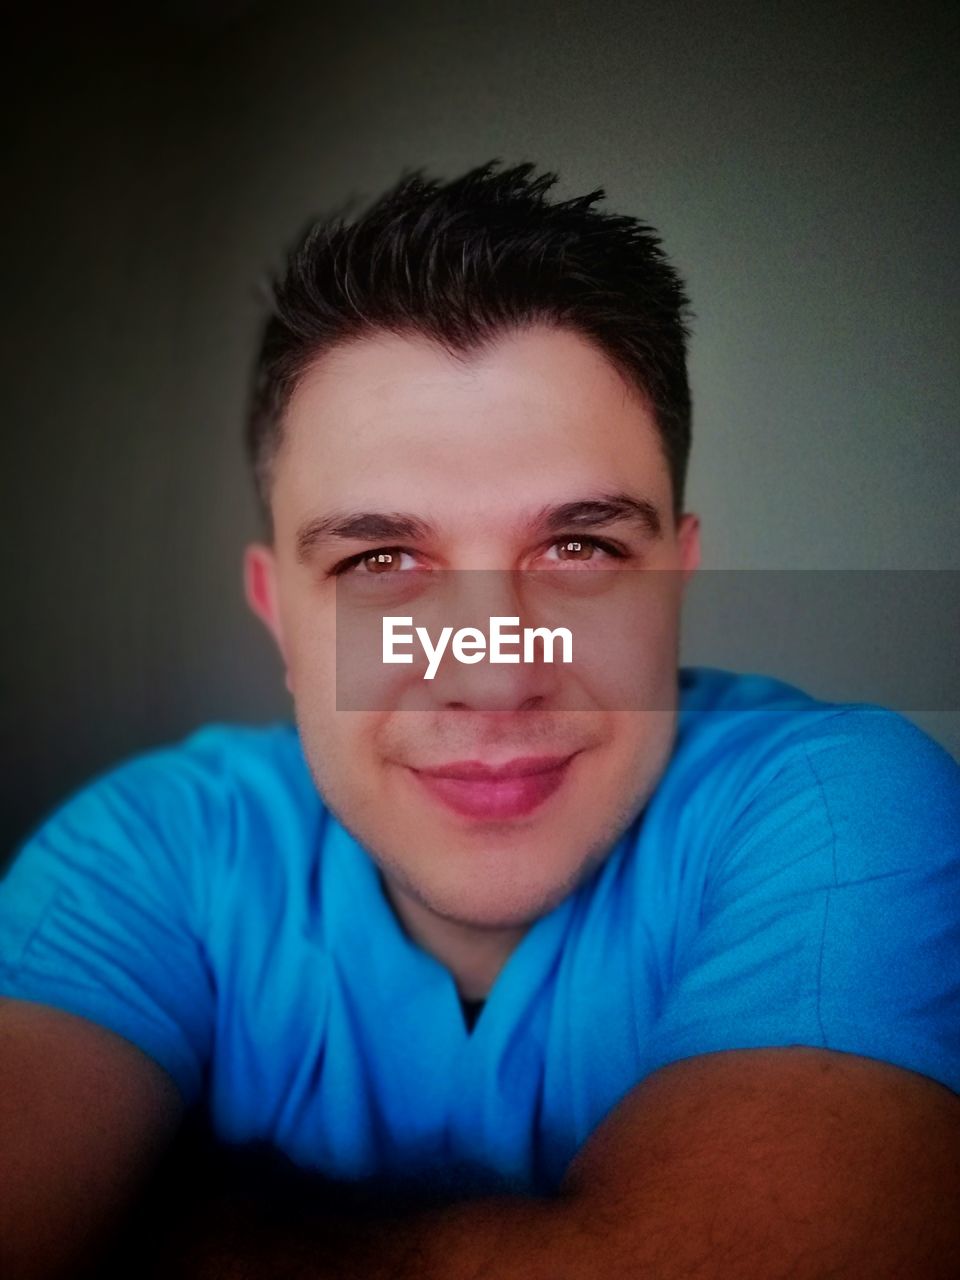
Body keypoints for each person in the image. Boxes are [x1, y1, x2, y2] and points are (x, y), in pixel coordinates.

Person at [1, 159, 958, 1280]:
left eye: (581, 548)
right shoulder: (146, 848)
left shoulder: (841, 809)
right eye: (381, 559)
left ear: (675, 578)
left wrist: (169, 1229)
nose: (494, 672)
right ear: (279, 614)